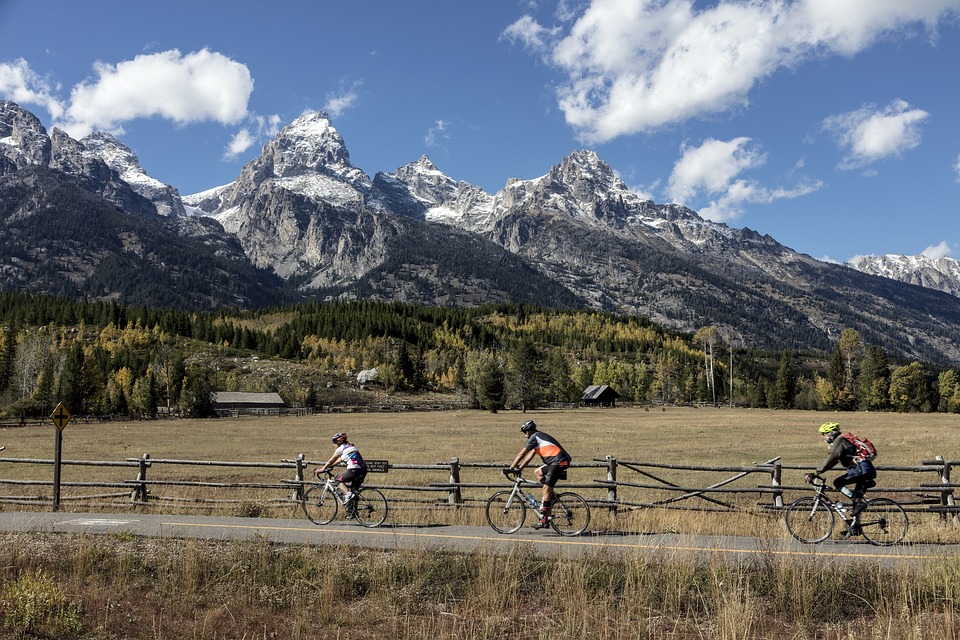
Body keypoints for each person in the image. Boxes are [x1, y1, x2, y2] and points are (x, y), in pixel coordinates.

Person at [804, 421, 877, 531]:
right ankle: (856, 527)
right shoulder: (843, 440)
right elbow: (836, 459)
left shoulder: (839, 440)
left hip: (860, 470)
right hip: (864, 470)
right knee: (856, 501)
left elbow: (832, 457)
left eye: (823, 434)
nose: (822, 437)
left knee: (838, 483)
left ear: (830, 434)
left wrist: (817, 472)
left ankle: (858, 503)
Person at [503, 420, 572, 529]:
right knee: (538, 472)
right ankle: (550, 496)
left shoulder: (535, 437)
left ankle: (544, 520)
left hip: (559, 462)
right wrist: (520, 468)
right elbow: (529, 456)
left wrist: (510, 468)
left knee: (545, 489)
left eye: (525, 432)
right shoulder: (538, 438)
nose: (525, 435)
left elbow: (522, 454)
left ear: (529, 431)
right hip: (555, 462)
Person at [315, 432, 367, 516]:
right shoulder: (351, 447)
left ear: (338, 442)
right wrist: (331, 466)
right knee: (355, 492)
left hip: (354, 469)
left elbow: (331, 460)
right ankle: (353, 512)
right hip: (363, 470)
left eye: (334, 443)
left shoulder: (341, 448)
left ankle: (348, 494)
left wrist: (322, 469)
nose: (333, 445)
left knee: (337, 480)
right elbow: (339, 460)